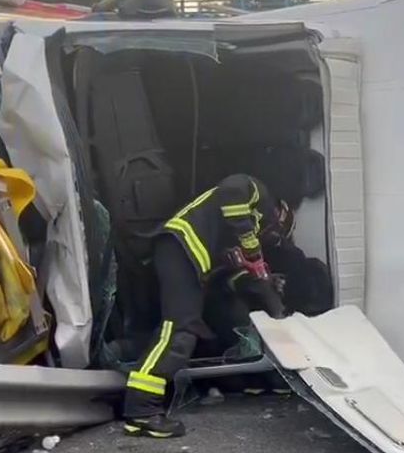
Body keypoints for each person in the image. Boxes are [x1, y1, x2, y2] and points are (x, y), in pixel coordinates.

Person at [122, 174, 292, 438]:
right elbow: (232, 189)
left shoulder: (225, 234)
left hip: (188, 260)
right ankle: (141, 409)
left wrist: (258, 282)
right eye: (272, 234)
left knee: (210, 321)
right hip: (180, 248)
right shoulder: (257, 191)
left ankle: (247, 381)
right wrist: (251, 247)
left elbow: (225, 276)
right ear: (278, 215)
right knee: (179, 332)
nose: (268, 238)